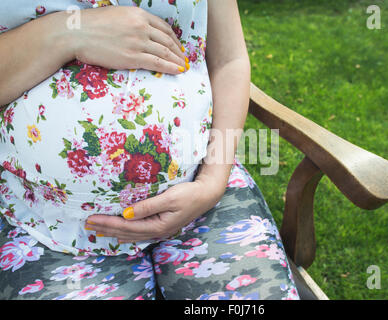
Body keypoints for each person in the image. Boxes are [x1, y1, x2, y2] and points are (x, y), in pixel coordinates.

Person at [0, 0, 300, 300]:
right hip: (47, 224)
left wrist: (212, 181)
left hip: (202, 194)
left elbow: (229, 60)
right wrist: (69, 33)